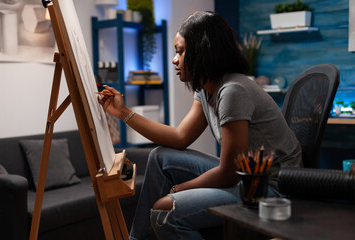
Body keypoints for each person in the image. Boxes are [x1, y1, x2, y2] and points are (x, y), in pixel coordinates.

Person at [99, 11, 302, 240]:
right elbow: (179, 137)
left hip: (267, 189)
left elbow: (228, 174)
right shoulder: (205, 89)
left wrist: (178, 189)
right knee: (159, 157)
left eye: (180, 51)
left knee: (164, 210)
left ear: (203, 51)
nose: (175, 60)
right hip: (242, 178)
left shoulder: (232, 90)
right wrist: (124, 113)